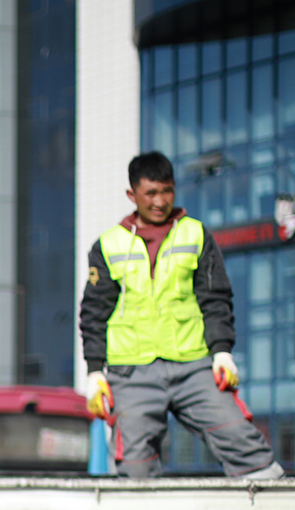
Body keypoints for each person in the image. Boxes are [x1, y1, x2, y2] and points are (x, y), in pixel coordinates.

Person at [79, 151, 283, 479]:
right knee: (134, 467)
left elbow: (215, 298)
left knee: (243, 442)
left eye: (167, 191)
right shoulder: (107, 245)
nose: (160, 201)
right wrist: (94, 372)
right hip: (131, 373)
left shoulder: (196, 235)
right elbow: (93, 313)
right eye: (151, 193)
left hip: (193, 366)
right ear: (132, 195)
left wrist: (222, 352)